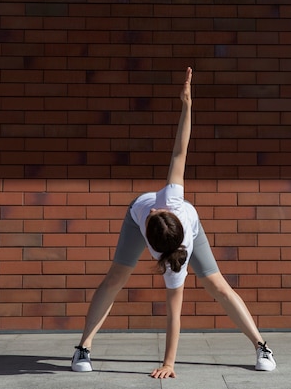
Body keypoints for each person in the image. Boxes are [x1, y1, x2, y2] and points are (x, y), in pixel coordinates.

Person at [71, 67, 276, 378]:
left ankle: (262, 346)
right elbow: (180, 151)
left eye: (155, 212)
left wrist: (169, 364)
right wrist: (187, 106)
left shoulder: (172, 251)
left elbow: (173, 314)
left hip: (179, 226)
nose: (154, 208)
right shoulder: (161, 206)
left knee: (218, 285)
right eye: (155, 212)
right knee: (114, 279)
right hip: (137, 217)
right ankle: (83, 348)